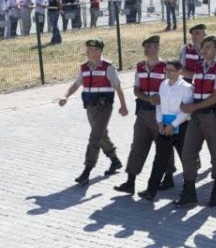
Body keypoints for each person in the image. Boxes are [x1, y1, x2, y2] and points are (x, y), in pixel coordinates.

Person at [58, 39, 128, 185]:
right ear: (86, 51)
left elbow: (118, 87)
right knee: (101, 135)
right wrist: (66, 96)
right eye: (90, 49)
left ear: (101, 51)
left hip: (104, 107)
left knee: (94, 138)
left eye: (96, 50)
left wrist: (123, 106)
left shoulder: (108, 67)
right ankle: (115, 160)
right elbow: (77, 84)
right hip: (90, 107)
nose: (93, 52)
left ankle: (87, 170)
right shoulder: (84, 68)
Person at [113, 35, 175, 195]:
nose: (146, 50)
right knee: (137, 145)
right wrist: (148, 98)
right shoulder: (140, 66)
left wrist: (161, 99)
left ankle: (168, 177)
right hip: (143, 112)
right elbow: (136, 89)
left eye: (150, 46)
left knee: (163, 146)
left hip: (160, 113)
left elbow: (173, 88)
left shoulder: (166, 67)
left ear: (157, 47)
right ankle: (130, 181)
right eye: (145, 47)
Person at [176, 35, 216, 207]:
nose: (204, 50)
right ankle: (190, 191)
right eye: (203, 47)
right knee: (188, 153)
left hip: (213, 116)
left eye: (208, 47)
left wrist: (193, 108)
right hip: (197, 116)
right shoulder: (198, 68)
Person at [138, 59, 193, 201]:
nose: (168, 73)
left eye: (171, 70)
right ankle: (151, 191)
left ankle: (189, 193)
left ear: (180, 71)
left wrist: (173, 125)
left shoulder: (186, 87)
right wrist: (160, 123)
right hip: (164, 127)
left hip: (181, 127)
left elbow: (186, 111)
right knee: (159, 160)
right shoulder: (163, 84)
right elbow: (159, 105)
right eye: (166, 70)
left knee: (186, 160)